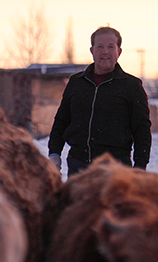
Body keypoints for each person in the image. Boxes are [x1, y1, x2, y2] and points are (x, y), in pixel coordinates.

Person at [48, 26, 152, 176]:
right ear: (92, 51)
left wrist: (140, 165)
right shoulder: (76, 82)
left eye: (111, 47)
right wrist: (54, 153)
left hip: (116, 169)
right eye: (100, 46)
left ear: (119, 52)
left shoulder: (131, 86)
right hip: (78, 166)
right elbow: (61, 121)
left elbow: (142, 129)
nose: (105, 52)